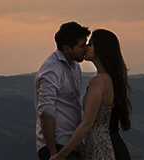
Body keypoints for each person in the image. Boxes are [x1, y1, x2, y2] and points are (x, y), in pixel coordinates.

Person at [49, 28, 132, 160]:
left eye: (90, 44)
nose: (86, 47)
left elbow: (87, 124)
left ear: (100, 49)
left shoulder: (98, 82)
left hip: (103, 150)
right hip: (115, 147)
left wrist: (61, 155)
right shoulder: (112, 79)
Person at [35, 21, 91, 159]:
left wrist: (80, 147)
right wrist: (54, 153)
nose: (86, 48)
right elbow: (46, 111)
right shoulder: (51, 69)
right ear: (66, 49)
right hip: (58, 144)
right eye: (81, 46)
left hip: (70, 144)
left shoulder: (74, 67)